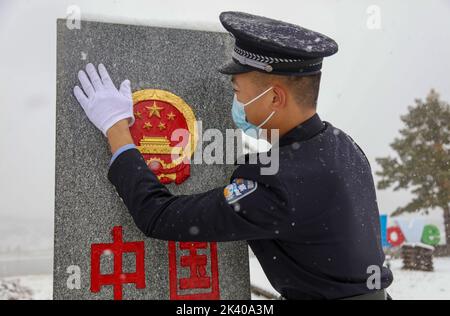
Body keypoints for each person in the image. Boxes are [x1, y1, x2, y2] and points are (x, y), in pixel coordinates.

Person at [73, 11, 393, 300]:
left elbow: (158, 216)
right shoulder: (342, 145)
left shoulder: (276, 183)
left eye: (238, 91)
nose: (235, 101)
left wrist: (117, 130)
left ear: (275, 98)